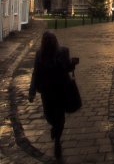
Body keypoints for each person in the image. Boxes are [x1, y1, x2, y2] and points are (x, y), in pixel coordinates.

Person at [29, 31, 78, 159]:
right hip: (50, 90)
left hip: (57, 90)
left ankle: (56, 139)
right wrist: (32, 91)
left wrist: (72, 63)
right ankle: (56, 131)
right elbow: (36, 72)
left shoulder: (62, 52)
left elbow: (67, 67)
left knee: (55, 115)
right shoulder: (40, 55)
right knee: (52, 116)